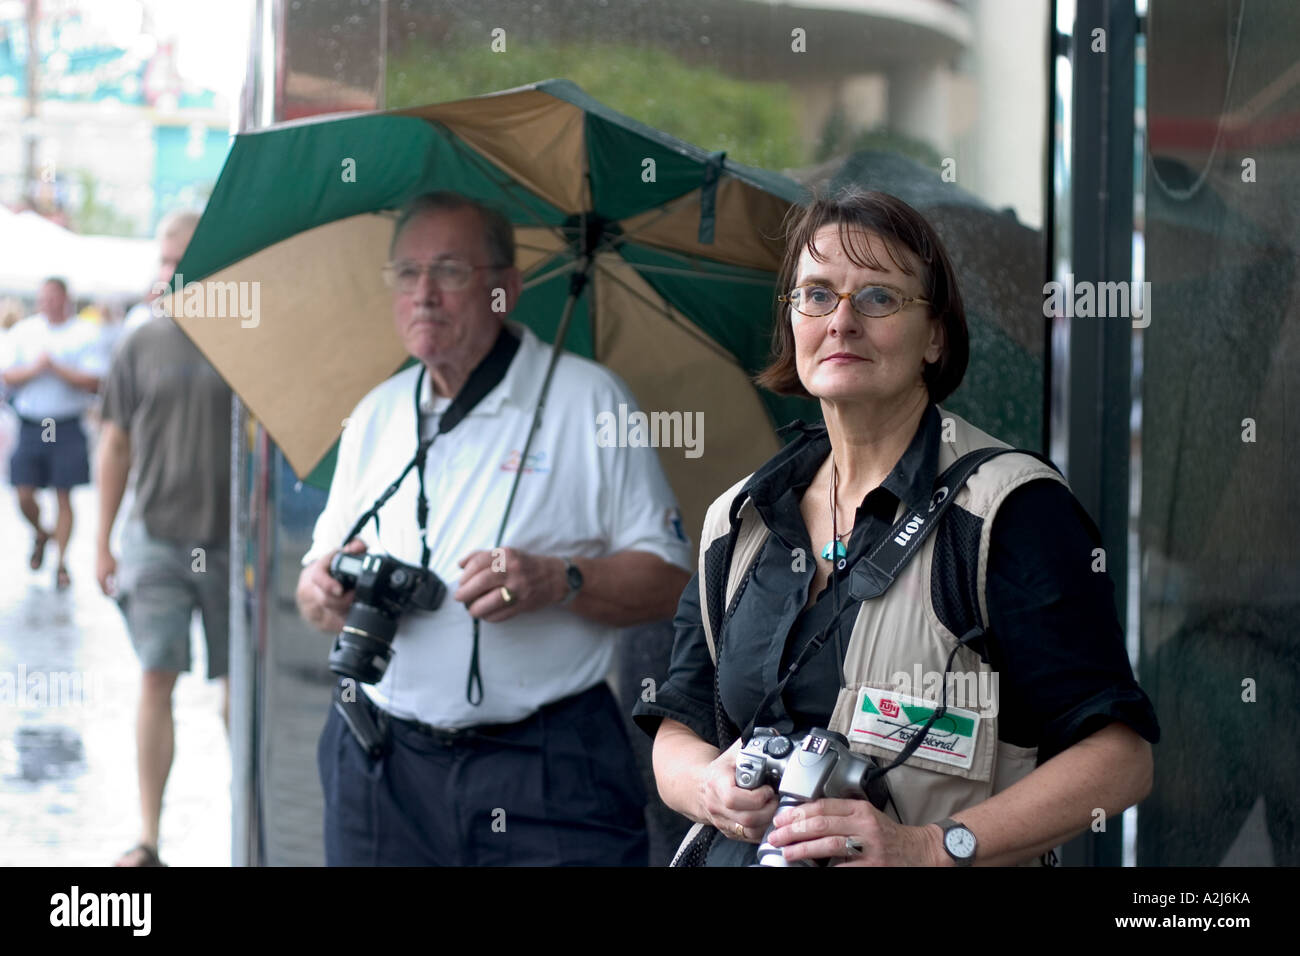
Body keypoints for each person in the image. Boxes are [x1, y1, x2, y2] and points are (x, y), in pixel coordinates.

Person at [633, 189, 1160, 866]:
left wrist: (931, 848)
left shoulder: (1009, 511)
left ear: (935, 335)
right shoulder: (743, 518)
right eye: (817, 295)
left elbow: (1120, 761)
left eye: (878, 297)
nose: (841, 322)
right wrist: (711, 788)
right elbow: (678, 731)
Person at [296, 191, 692, 866]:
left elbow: (670, 584)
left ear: (505, 289)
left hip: (548, 767)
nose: (423, 294)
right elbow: (312, 587)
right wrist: (325, 593)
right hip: (381, 760)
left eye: (449, 272)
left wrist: (560, 579)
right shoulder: (376, 413)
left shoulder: (589, 400)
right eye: (407, 273)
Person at [95, 209, 232, 868]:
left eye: (183, 257)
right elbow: (113, 441)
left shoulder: (246, 338)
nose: (170, 270)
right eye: (165, 258)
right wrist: (102, 542)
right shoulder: (138, 343)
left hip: (233, 543)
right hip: (154, 536)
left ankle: (250, 819)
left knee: (240, 687)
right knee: (157, 676)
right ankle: (148, 838)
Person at [1, 277, 106, 589]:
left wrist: (56, 368)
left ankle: (61, 562)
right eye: (43, 298)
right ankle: (40, 532)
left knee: (64, 493)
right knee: (23, 491)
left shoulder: (85, 332)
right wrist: (37, 369)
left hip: (66, 423)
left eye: (53, 298)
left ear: (65, 299)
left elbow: (94, 381)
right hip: (33, 424)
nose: (47, 304)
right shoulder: (24, 332)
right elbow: (8, 375)